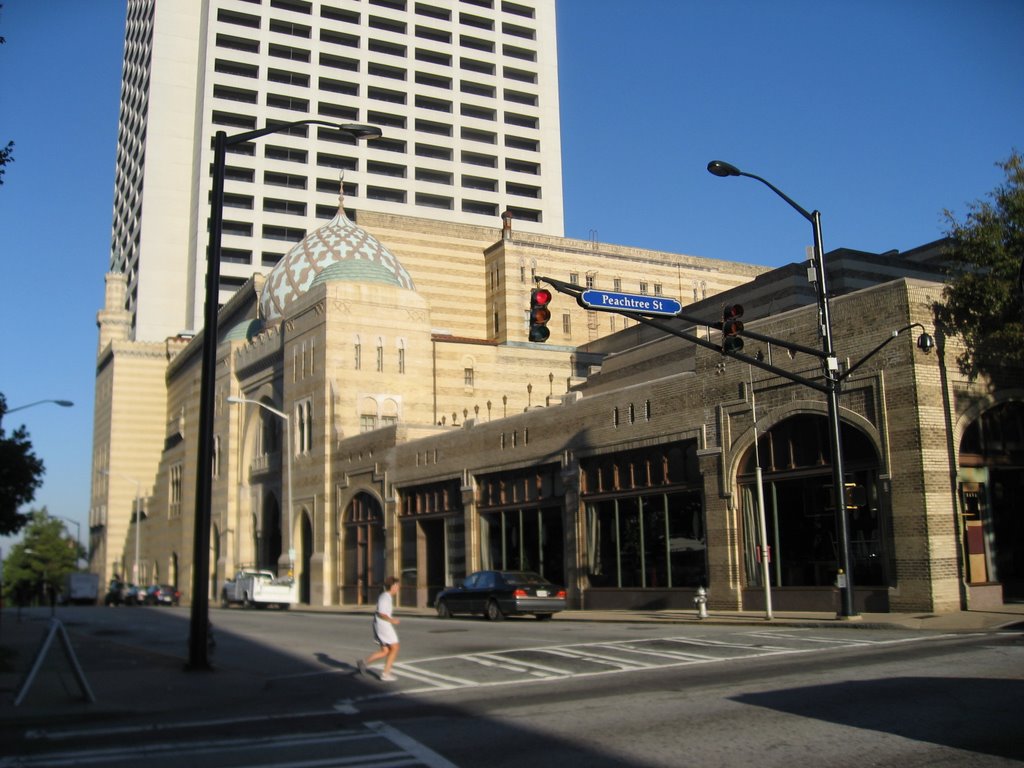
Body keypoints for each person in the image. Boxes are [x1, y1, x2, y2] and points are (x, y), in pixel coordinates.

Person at [357, 576, 401, 681]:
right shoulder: (385, 597)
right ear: (393, 586)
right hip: (383, 626)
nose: (399, 588)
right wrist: (392, 620)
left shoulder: (387, 596)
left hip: (381, 625)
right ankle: (385, 674)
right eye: (398, 586)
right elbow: (381, 613)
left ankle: (363, 662)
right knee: (395, 647)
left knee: (385, 651)